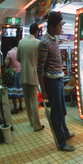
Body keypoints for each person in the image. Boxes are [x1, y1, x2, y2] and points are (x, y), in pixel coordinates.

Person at [38, 12, 75, 152]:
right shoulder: (44, 43)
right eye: (59, 25)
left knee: (62, 110)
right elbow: (40, 69)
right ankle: (61, 143)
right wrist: (43, 89)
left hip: (58, 80)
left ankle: (65, 133)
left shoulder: (53, 40)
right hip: (51, 83)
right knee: (56, 114)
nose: (61, 28)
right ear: (52, 27)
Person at [17, 23, 43, 132]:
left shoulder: (21, 42)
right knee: (33, 100)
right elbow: (41, 61)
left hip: (23, 75)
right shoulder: (38, 43)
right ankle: (37, 126)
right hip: (33, 75)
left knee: (27, 101)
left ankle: (32, 123)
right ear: (36, 32)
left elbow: (18, 58)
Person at [5, 40, 23, 114]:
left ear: (10, 46)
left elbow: (6, 64)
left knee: (14, 91)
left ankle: (15, 107)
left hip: (13, 73)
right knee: (20, 90)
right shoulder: (21, 51)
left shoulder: (10, 52)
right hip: (21, 73)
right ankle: (21, 105)